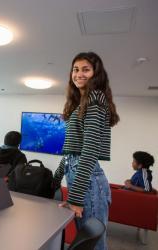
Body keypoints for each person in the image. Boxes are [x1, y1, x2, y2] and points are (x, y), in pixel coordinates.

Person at [53, 52, 120, 250]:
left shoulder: (95, 99)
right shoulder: (81, 104)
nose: (79, 74)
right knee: (86, 243)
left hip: (88, 181)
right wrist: (56, 180)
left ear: (96, 74)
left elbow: (89, 151)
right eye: (75, 69)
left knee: (93, 245)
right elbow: (72, 151)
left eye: (86, 69)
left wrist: (75, 196)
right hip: (80, 178)